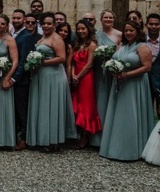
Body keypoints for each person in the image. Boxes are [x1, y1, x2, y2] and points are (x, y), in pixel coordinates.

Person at [99, 20, 156, 162]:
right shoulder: (122, 45)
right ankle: (115, 147)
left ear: (138, 31)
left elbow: (147, 67)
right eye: (126, 31)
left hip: (135, 84)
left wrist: (126, 75)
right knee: (119, 115)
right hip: (120, 83)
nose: (128, 33)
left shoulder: (143, 47)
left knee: (131, 114)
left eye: (131, 30)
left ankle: (133, 149)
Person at [26, 13, 75, 152]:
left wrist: (42, 62)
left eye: (49, 23)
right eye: (44, 23)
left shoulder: (56, 38)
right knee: (42, 106)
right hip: (41, 75)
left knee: (51, 106)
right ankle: (41, 138)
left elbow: (61, 58)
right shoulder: (43, 38)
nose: (46, 26)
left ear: (54, 25)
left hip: (53, 76)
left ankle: (52, 140)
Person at [69, 19, 102, 149]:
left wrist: (78, 76)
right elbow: (71, 62)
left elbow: (89, 64)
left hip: (86, 78)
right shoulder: (77, 44)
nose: (81, 31)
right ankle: (78, 132)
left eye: (83, 28)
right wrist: (72, 75)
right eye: (79, 29)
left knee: (86, 106)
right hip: (75, 75)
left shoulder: (92, 45)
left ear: (88, 29)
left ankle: (85, 136)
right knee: (76, 103)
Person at [0, 14, 18, 149]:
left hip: (4, 78)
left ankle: (6, 140)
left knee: (4, 107)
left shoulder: (9, 40)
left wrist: (7, 78)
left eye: (3, 24)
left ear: (7, 26)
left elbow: (15, 61)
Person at [9, 9, 35, 150]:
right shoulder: (13, 34)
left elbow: (24, 61)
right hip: (12, 78)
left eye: (18, 18)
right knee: (16, 110)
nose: (16, 20)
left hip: (21, 80)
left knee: (22, 110)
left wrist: (14, 79)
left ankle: (24, 138)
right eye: (14, 18)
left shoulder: (26, 37)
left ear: (24, 20)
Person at [95, 9, 122, 134]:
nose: (108, 20)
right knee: (100, 99)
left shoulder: (119, 34)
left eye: (110, 17)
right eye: (105, 17)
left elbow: (120, 52)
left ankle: (111, 131)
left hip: (112, 70)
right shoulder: (96, 34)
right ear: (101, 20)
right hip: (99, 71)